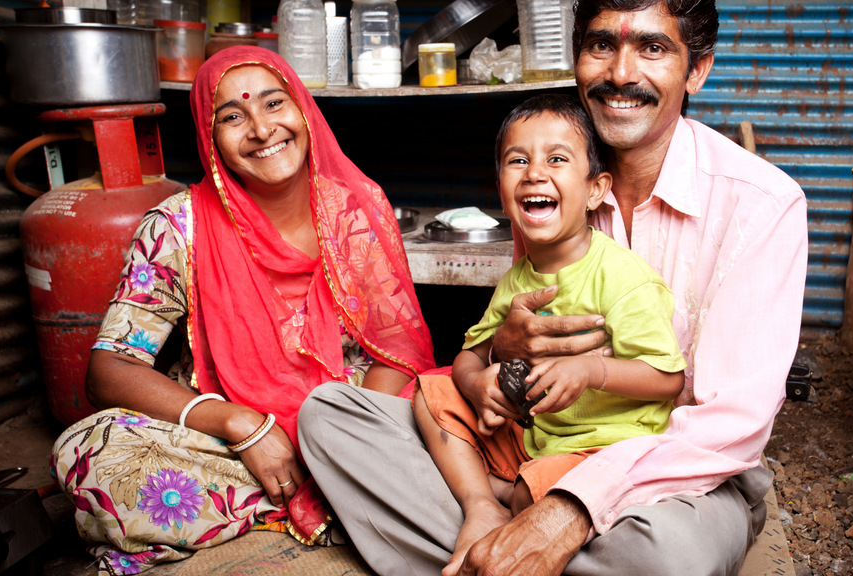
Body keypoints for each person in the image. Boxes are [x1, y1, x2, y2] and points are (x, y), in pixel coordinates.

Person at [298, 0, 808, 572]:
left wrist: (573, 507)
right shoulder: (553, 182)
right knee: (329, 416)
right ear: (577, 59)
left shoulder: (762, 205)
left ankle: (500, 543)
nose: (620, 73)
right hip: (537, 437)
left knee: (670, 556)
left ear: (697, 70)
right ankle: (495, 529)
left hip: (679, 473)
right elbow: (498, 352)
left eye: (653, 48)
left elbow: (733, 426)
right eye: (601, 46)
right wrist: (499, 353)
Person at [50, 46, 434, 576]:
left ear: (302, 110)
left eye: (274, 103)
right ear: (211, 138)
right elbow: (109, 370)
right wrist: (240, 423)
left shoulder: (353, 210)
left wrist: (349, 443)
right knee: (90, 453)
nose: (261, 128)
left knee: (456, 411)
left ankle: (310, 498)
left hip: (359, 420)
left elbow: (399, 348)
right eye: (232, 116)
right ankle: (337, 505)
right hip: (238, 446)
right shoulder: (176, 228)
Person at [413, 94, 687, 575]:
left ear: (596, 189)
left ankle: (507, 494)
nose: (534, 172)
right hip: (534, 433)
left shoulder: (621, 277)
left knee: (535, 492)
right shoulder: (517, 279)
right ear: (502, 192)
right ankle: (483, 502)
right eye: (518, 160)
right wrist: (478, 387)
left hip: (603, 447)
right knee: (428, 391)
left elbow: (668, 379)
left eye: (557, 159)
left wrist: (591, 369)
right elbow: (468, 358)